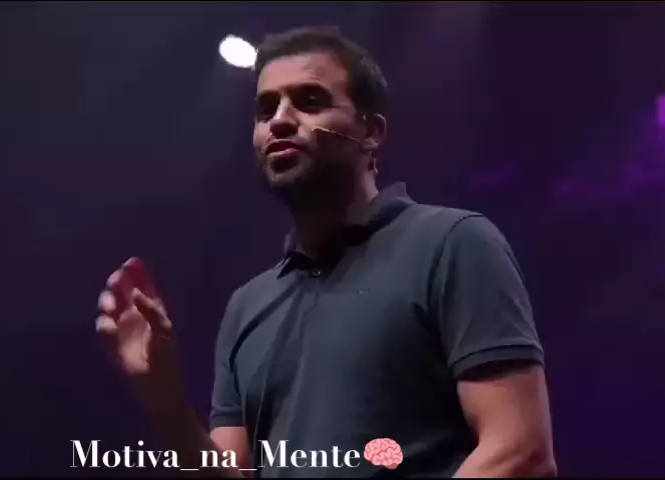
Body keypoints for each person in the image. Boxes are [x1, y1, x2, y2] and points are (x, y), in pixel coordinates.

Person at [96, 26, 557, 478]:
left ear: (371, 132)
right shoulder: (247, 306)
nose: (280, 120)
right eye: (265, 109)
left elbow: (520, 453)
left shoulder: (452, 244)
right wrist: (162, 395)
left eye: (310, 100)